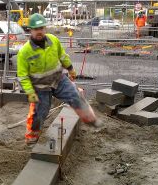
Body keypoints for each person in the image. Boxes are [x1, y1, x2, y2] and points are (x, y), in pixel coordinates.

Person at [17, 13, 100, 145]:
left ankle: (90, 119)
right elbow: (22, 76)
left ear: (45, 28)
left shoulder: (53, 40)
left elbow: (62, 56)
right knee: (40, 112)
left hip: (59, 80)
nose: (39, 32)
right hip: (40, 87)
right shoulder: (25, 52)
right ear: (30, 30)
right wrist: (30, 92)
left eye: (41, 28)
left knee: (75, 96)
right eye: (36, 29)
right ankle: (32, 137)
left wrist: (70, 68)